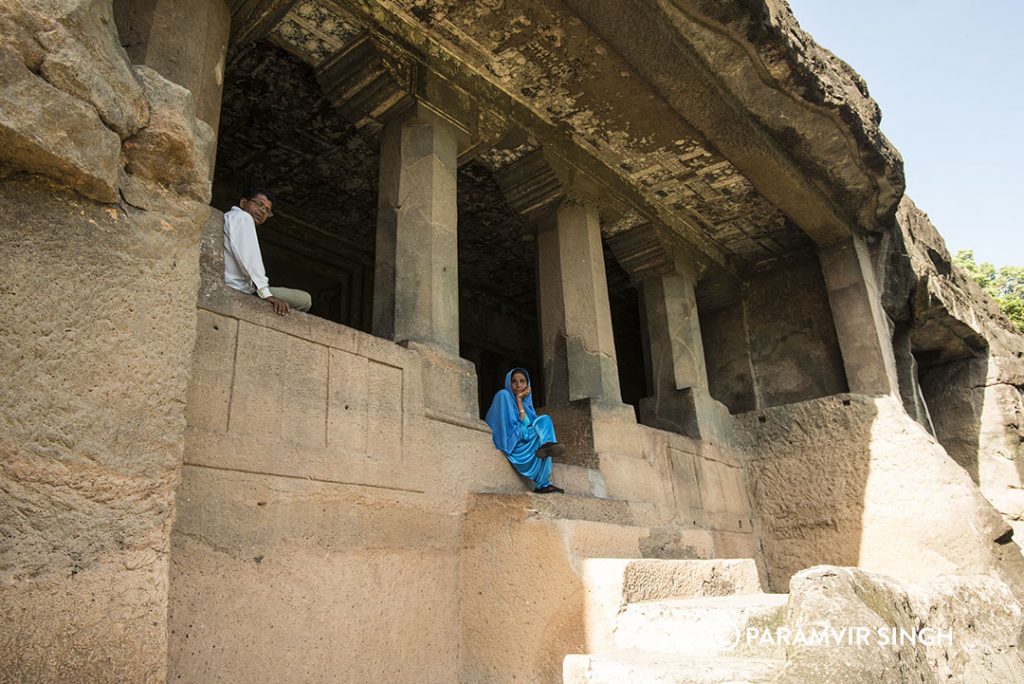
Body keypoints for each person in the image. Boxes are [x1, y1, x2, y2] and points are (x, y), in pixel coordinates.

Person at [223, 187, 312, 316]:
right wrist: (266, 293)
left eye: (267, 210)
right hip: (243, 289)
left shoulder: (232, 218)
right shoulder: (242, 217)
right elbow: (248, 258)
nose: (262, 211)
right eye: (259, 204)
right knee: (305, 300)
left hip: (243, 286)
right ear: (243, 203)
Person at [484, 368, 566, 494]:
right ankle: (543, 482)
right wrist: (518, 400)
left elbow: (527, 425)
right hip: (513, 446)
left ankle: (544, 480)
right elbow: (510, 430)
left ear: (527, 385)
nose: (518, 385)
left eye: (522, 381)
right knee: (539, 436)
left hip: (526, 444)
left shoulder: (527, 407)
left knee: (544, 421)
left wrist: (520, 402)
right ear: (508, 383)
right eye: (514, 381)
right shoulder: (503, 396)